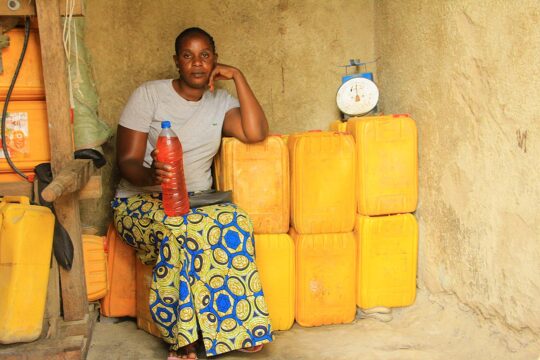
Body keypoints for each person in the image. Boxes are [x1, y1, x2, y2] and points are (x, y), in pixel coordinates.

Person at [112, 27, 273, 359]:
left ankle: (237, 329)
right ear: (176, 61)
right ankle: (183, 339)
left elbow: (256, 132)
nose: (197, 64)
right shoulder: (149, 95)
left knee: (236, 221)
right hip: (139, 201)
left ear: (215, 59)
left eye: (205, 55)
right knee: (179, 231)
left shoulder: (221, 102)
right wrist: (149, 175)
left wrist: (238, 76)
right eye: (188, 56)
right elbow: (126, 161)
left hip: (195, 200)